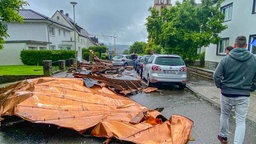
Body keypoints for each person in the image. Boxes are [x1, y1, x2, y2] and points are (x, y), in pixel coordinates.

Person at [214, 36, 256, 144]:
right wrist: (252, 87)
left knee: (224, 115)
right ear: (246, 46)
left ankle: (223, 136)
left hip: (226, 93)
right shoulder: (253, 59)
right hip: (243, 95)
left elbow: (216, 75)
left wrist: (220, 85)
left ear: (234, 45)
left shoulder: (226, 59)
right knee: (241, 121)